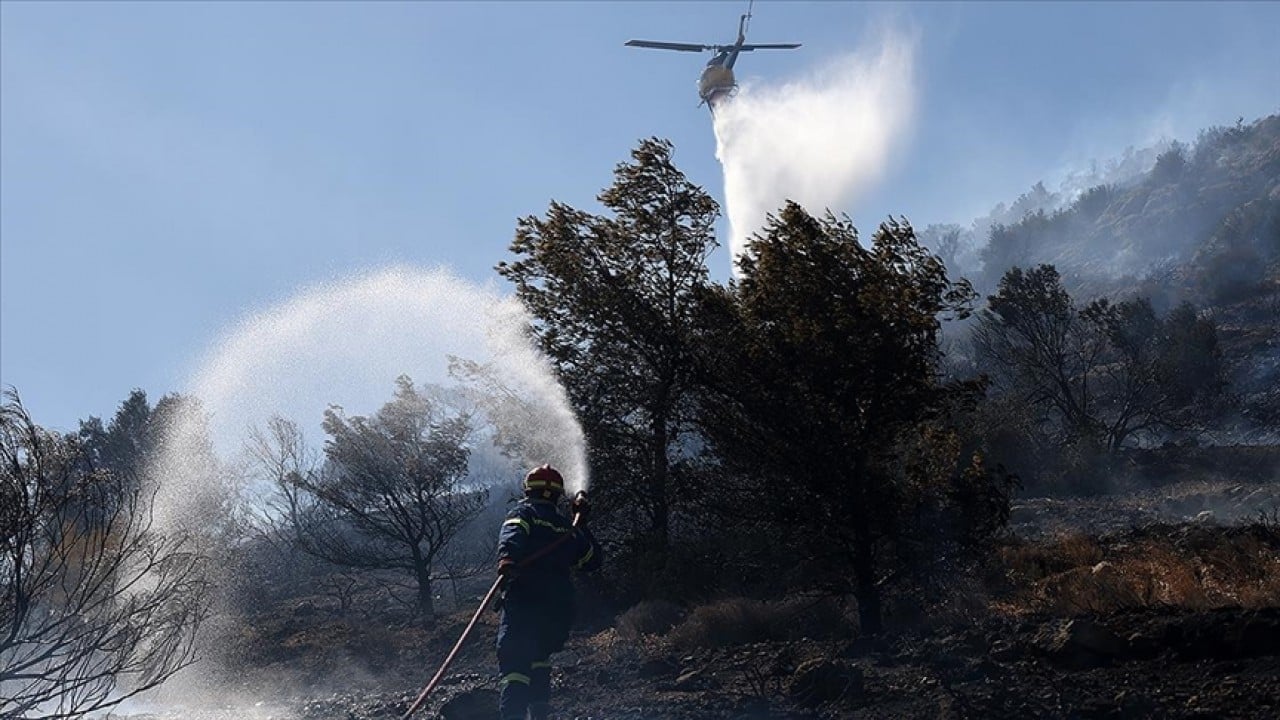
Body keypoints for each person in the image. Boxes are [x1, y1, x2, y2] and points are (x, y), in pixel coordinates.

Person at [495, 464, 602, 720]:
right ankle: (540, 715)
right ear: (557, 495)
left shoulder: (524, 512)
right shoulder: (568, 528)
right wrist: (582, 525)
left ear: (528, 490)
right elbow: (591, 561)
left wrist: (507, 559)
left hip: (525, 601)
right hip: (558, 608)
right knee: (540, 658)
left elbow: (513, 532)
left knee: (515, 664)